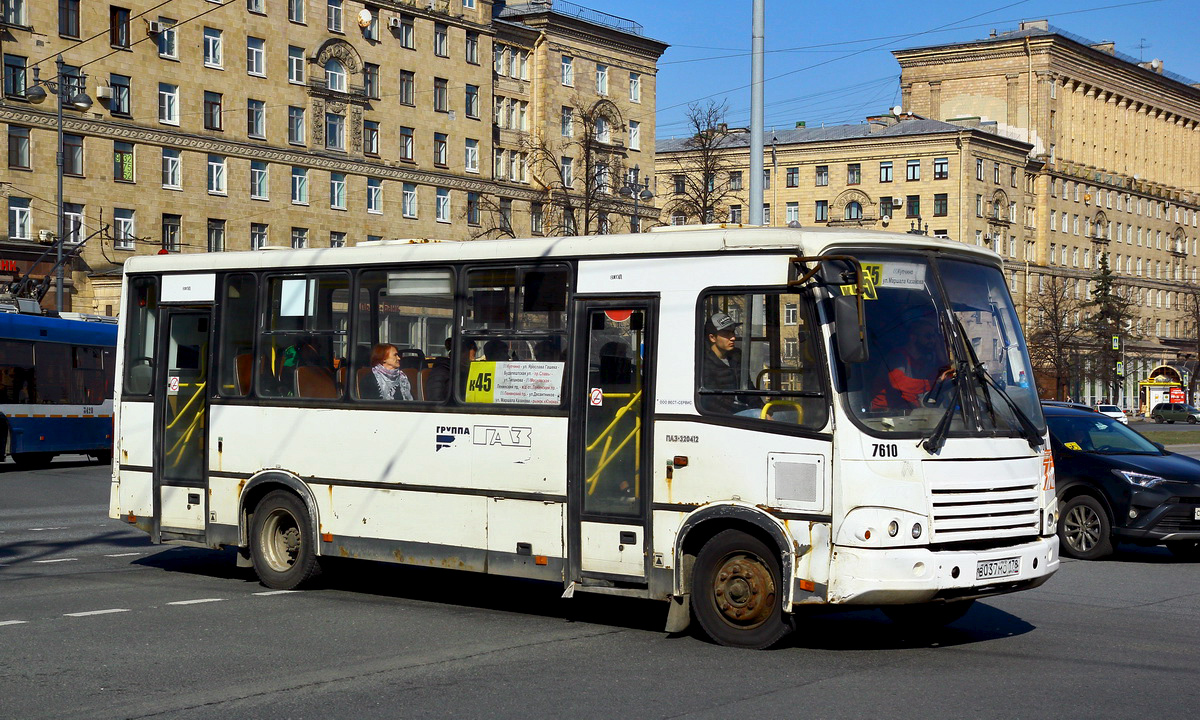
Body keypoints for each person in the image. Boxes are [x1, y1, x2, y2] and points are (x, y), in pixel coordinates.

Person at [870, 319, 955, 410]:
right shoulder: (897, 356)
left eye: (934, 336)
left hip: (911, 409)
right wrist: (932, 384)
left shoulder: (926, 360)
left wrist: (939, 352)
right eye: (928, 336)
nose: (932, 340)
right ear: (913, 337)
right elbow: (898, 383)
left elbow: (944, 377)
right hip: (885, 412)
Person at [699, 311, 759, 415]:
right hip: (725, 417)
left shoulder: (736, 356)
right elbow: (712, 401)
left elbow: (748, 387)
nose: (733, 337)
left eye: (733, 332)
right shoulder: (704, 362)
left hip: (743, 410)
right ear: (712, 338)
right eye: (726, 333)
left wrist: (761, 409)